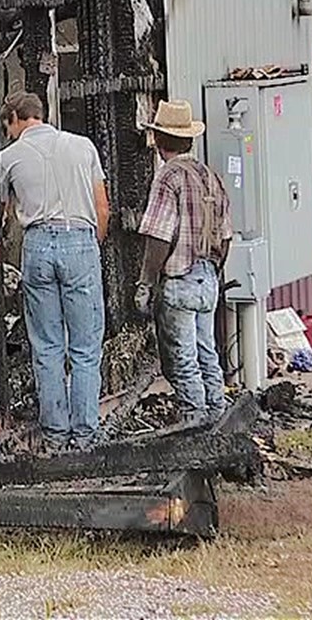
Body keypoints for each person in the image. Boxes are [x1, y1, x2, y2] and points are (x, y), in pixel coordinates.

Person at [0, 91, 110, 451]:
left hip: (38, 246)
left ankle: (56, 435)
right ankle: (86, 435)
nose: (8, 133)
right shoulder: (83, 147)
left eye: (7, 126)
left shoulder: (7, 158)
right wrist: (91, 246)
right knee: (86, 348)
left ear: (15, 117)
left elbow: (0, 214)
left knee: (46, 346)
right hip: (80, 239)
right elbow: (102, 209)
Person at [136, 100, 232, 423]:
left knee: (183, 358)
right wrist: (214, 270)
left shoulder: (168, 178)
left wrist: (146, 282)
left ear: (160, 142)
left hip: (180, 279)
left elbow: (160, 235)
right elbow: (227, 236)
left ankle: (195, 423)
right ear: (189, 140)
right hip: (208, 279)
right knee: (208, 352)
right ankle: (219, 418)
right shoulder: (211, 177)